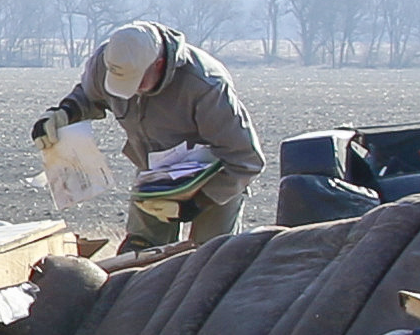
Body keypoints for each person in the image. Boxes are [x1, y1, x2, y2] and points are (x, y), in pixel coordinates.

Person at [42, 19, 265, 245]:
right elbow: (90, 96)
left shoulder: (205, 85)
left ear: (158, 65)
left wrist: (197, 203)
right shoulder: (109, 61)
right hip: (155, 172)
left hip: (216, 175)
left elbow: (245, 160)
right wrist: (64, 113)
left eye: (135, 81)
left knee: (211, 256)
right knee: (141, 252)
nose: (130, 92)